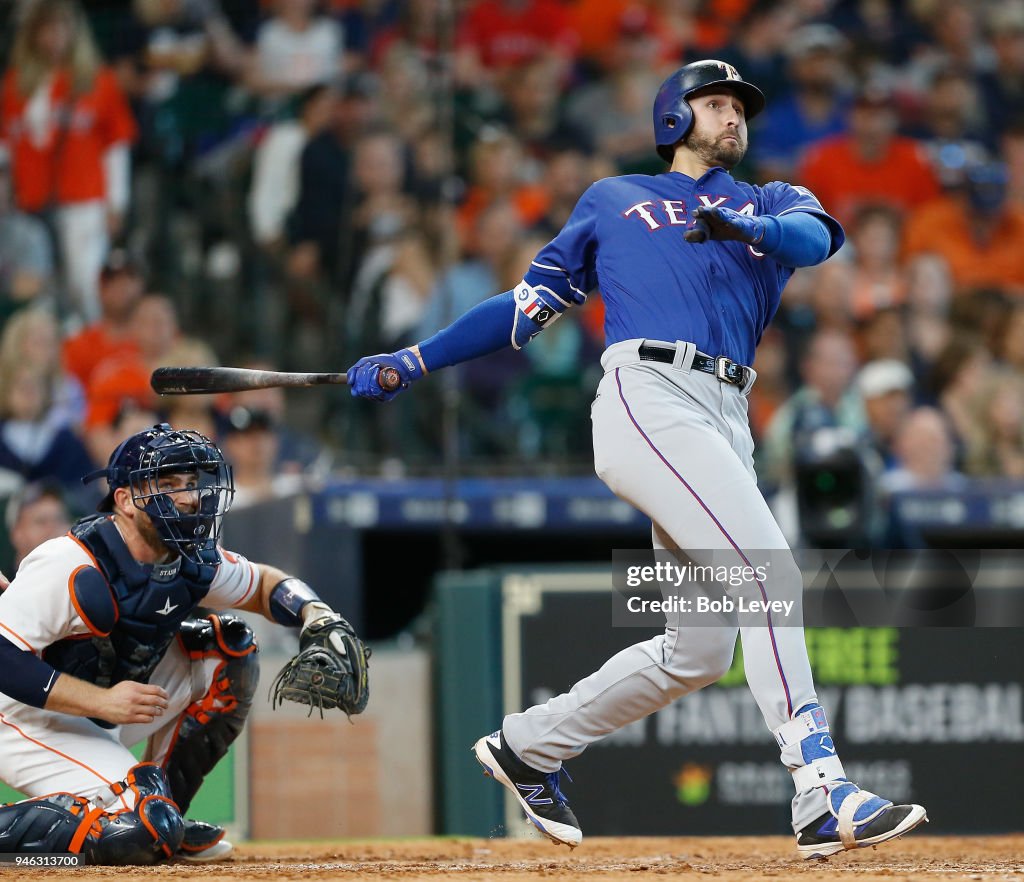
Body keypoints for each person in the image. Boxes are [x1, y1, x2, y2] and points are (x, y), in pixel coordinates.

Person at [346, 60, 927, 859]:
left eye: (737, 108)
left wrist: (745, 227)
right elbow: (524, 307)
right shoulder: (615, 199)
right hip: (650, 394)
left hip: (727, 411)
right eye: (715, 104)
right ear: (672, 118)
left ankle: (529, 745)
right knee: (769, 572)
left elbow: (820, 239)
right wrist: (414, 360)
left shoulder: (768, 201)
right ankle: (820, 790)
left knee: (698, 649)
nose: (732, 118)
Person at [0, 423, 369, 864]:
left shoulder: (190, 556)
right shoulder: (69, 562)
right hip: (23, 717)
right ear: (125, 499)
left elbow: (264, 585)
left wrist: (317, 614)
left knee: (227, 649)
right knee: (130, 835)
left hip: (104, 704)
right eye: (170, 484)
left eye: (192, 483)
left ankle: (165, 812)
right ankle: (148, 818)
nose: (189, 497)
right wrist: (101, 702)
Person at [0, 0, 137, 323]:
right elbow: (4, 146)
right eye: (45, 29)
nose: (53, 37)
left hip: (84, 198)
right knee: (43, 291)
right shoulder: (14, 85)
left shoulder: (96, 81)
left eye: (60, 28)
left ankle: (88, 347)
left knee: (83, 284)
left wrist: (116, 202)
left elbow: (116, 145)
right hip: (29, 202)